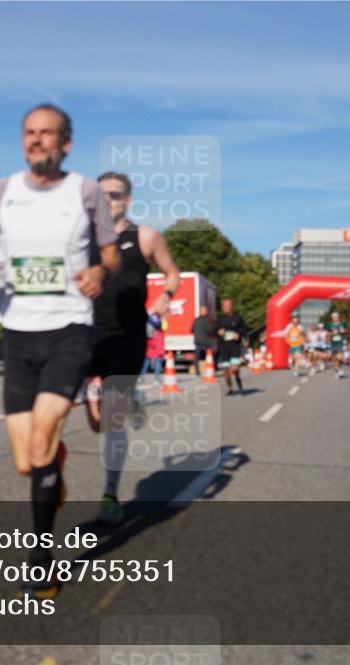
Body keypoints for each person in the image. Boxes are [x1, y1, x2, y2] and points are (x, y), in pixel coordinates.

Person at [0, 103, 119, 600]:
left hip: (68, 330)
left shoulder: (86, 191)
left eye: (47, 133)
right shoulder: (1, 191)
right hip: (17, 334)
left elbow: (111, 252)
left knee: (39, 446)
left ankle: (40, 560)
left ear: (66, 143)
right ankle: (51, 466)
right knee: (26, 462)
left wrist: (98, 273)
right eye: (29, 133)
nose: (37, 141)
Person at [83, 170, 180, 526]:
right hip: (89, 337)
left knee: (112, 419)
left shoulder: (147, 237)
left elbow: (173, 273)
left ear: (128, 200)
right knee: (95, 423)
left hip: (128, 336)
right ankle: (129, 400)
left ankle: (110, 495)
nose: (110, 200)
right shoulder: (83, 240)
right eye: (103, 195)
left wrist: (166, 296)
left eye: (116, 194)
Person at [216, 298, 248, 395]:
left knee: (234, 368)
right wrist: (218, 332)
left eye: (227, 306)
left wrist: (238, 334)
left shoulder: (238, 318)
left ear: (231, 307)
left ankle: (238, 378)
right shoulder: (219, 319)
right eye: (224, 306)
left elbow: (244, 329)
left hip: (235, 347)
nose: (225, 308)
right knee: (226, 371)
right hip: (224, 347)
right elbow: (214, 331)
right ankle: (230, 388)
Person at [141, 311, 166, 384]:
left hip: (149, 343)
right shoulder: (159, 329)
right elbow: (164, 327)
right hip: (156, 343)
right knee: (158, 360)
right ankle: (157, 379)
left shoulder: (149, 320)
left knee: (146, 361)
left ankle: (141, 378)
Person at [191, 304, 215, 377]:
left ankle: (197, 372)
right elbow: (209, 331)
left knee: (197, 358)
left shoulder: (196, 320)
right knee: (210, 356)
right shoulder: (206, 320)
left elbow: (191, 330)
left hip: (197, 341)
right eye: (205, 310)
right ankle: (210, 370)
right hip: (205, 342)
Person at [327, 311, 348, 379]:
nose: (335, 318)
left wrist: (342, 331)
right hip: (333, 344)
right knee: (334, 359)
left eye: (337, 317)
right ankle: (336, 371)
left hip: (340, 343)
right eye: (334, 317)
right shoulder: (329, 325)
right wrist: (332, 333)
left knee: (340, 357)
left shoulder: (342, 323)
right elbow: (327, 334)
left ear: (339, 317)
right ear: (332, 318)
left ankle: (340, 369)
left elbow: (346, 331)